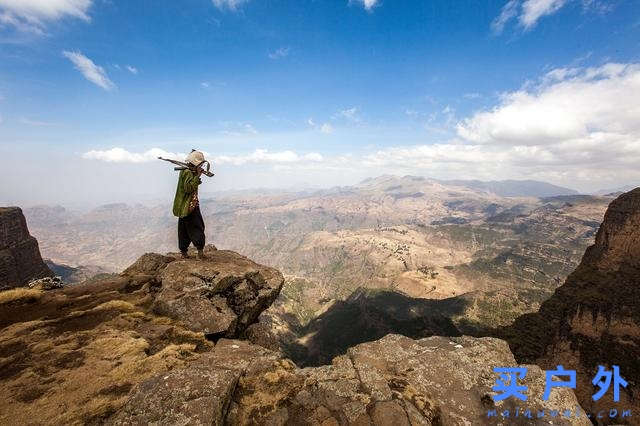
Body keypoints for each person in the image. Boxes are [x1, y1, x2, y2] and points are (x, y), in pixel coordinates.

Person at [173, 150, 206, 259]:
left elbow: (189, 185)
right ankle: (200, 253)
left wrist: (196, 175)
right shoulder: (188, 172)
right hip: (190, 206)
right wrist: (198, 176)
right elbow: (188, 188)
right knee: (197, 227)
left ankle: (184, 252)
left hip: (184, 207)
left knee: (183, 229)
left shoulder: (186, 171)